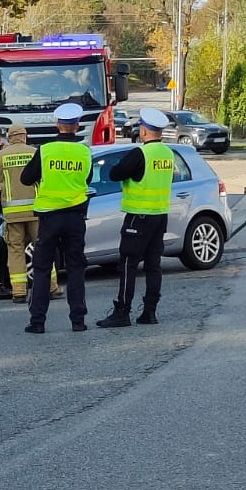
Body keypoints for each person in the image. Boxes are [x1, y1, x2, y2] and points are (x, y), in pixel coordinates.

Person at [96, 107, 173, 328]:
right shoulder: (167, 154)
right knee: (153, 265)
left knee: (128, 265)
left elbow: (115, 173)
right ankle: (150, 311)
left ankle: (122, 312)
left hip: (138, 217)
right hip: (159, 216)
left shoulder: (141, 153)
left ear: (145, 131)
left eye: (141, 127)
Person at [19, 103, 92, 333]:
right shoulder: (85, 151)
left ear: (57, 124)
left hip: (49, 219)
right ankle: (78, 321)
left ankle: (37, 321)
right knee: (75, 268)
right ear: (77, 125)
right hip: (75, 218)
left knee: (41, 269)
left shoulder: (45, 150)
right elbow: (87, 179)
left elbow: (26, 178)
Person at [0, 124, 63, 303]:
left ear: (9, 138)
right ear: (24, 136)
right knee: (43, 248)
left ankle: (19, 292)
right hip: (36, 212)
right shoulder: (36, 152)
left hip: (12, 215)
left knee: (16, 250)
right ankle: (52, 287)